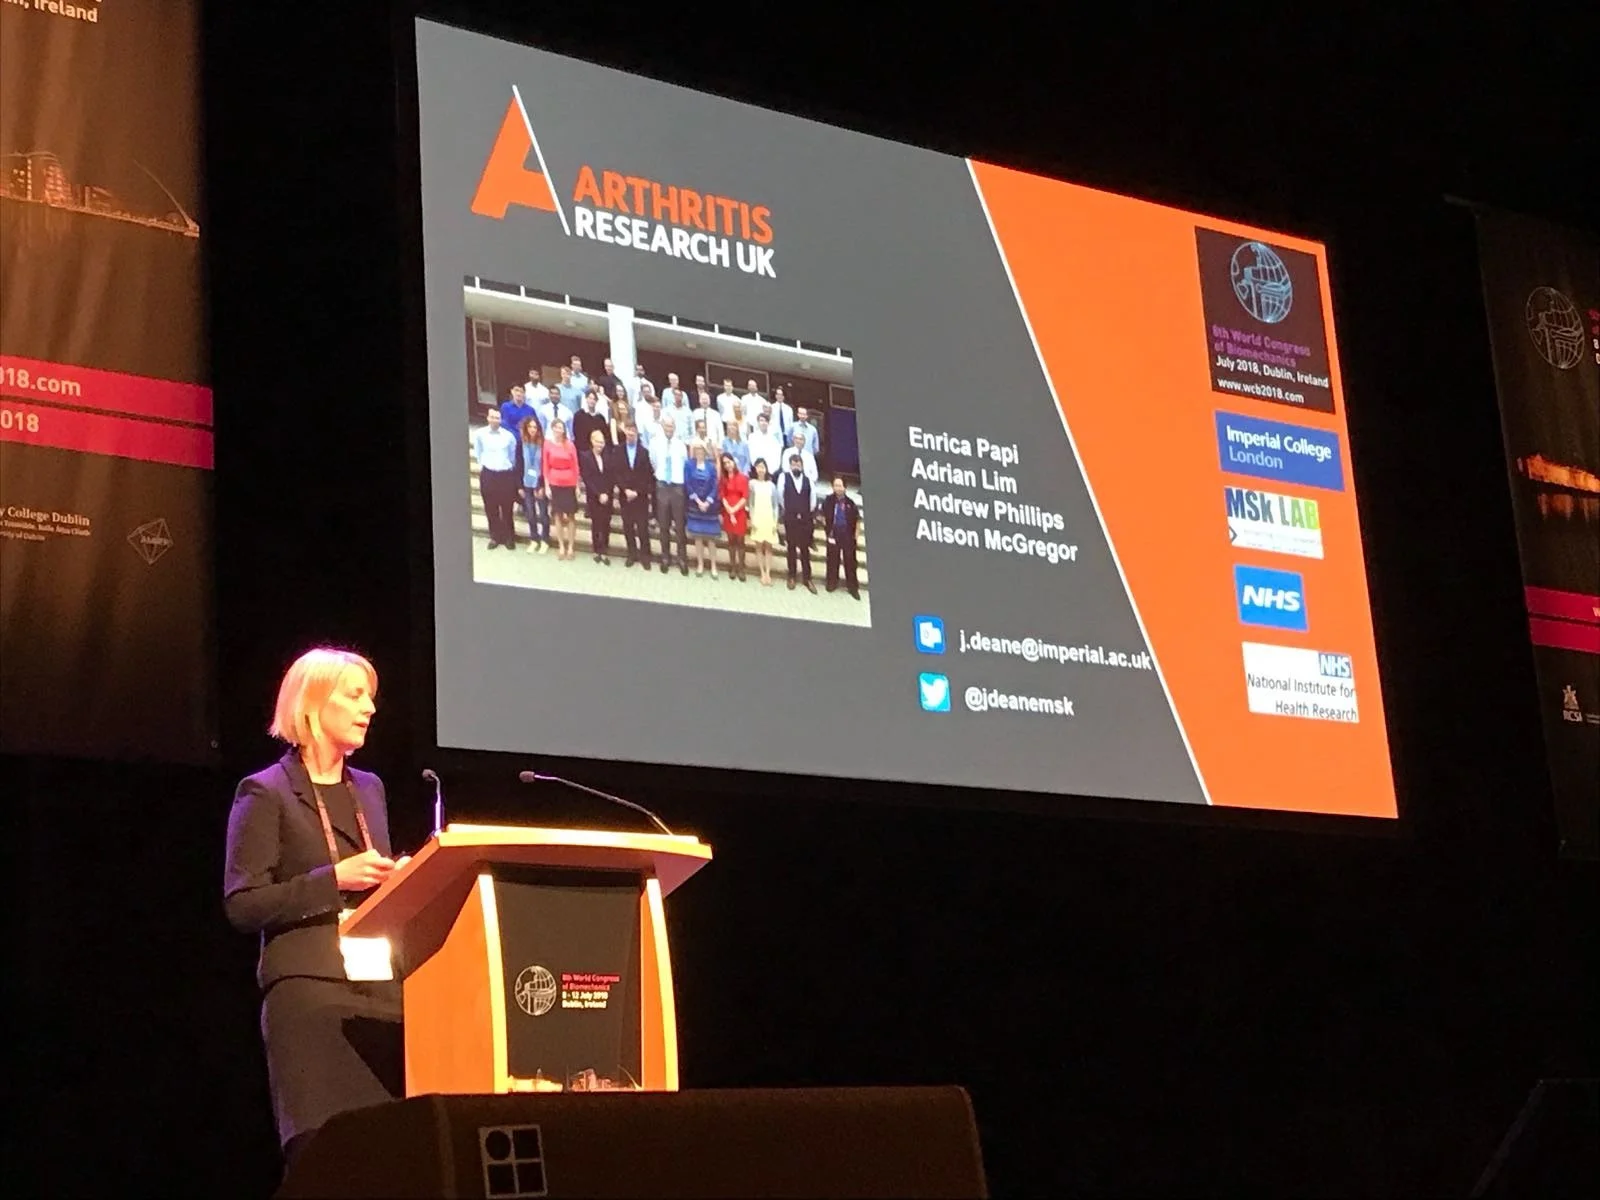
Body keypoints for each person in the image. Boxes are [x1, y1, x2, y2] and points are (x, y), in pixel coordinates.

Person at [224, 648, 408, 1171]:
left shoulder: (369, 789)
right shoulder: (265, 792)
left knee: (391, 1157)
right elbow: (242, 903)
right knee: (324, 1159)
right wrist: (333, 881)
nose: (369, 707)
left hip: (381, 997)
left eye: (370, 697)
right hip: (309, 1000)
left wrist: (402, 877)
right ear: (313, 703)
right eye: (354, 695)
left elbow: (373, 892)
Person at [472, 407, 519, 549]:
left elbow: (512, 455)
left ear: (501, 419)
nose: (495, 420)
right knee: (490, 508)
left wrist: (507, 466)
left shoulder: (508, 436)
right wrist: (485, 465)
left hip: (505, 475)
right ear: (487, 418)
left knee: (507, 508)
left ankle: (509, 537)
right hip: (488, 475)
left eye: (497, 418)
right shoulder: (480, 434)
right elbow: (478, 452)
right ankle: (495, 537)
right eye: (492, 417)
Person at [649, 414, 689, 575]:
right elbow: (654, 462)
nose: (669, 429)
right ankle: (665, 557)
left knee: (679, 526)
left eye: (671, 426)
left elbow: (685, 462)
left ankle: (682, 558)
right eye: (667, 426)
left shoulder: (680, 445)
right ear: (663, 427)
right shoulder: (655, 442)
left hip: (677, 487)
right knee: (663, 524)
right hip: (662, 485)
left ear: (675, 428)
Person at [612, 422, 654, 568]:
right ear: (625, 432)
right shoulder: (618, 451)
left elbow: (647, 475)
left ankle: (645, 556)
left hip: (639, 496)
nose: (631, 433)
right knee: (628, 526)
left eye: (633, 431)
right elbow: (616, 473)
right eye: (628, 431)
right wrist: (625, 490)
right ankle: (632, 554)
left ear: (637, 433)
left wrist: (636, 492)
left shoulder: (644, 452)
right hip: (625, 496)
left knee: (642, 527)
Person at [542, 416, 580, 560]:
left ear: (564, 430)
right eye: (556, 427)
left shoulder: (570, 445)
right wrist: (546, 486)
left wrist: (577, 485)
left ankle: (570, 546)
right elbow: (545, 466)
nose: (559, 430)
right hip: (554, 482)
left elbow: (575, 466)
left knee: (570, 516)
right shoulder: (547, 444)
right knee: (557, 515)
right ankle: (561, 546)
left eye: (561, 427)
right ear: (552, 429)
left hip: (569, 482)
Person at [779, 451, 817, 592]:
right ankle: (792, 576)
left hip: (805, 520)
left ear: (802, 465)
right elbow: (780, 497)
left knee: (805, 549)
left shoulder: (808, 481)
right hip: (791, 518)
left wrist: (805, 512)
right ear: (790, 465)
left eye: (798, 464)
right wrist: (790, 510)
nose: (796, 466)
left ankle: (807, 578)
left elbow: (813, 500)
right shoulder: (784, 478)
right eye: (794, 464)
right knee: (791, 548)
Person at [683, 439, 722, 579]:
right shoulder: (689, 465)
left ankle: (713, 566)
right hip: (695, 504)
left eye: (702, 449)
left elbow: (715, 485)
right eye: (697, 449)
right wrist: (698, 501)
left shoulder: (711, 466)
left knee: (711, 539)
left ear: (705, 451)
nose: (699, 452)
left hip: (709, 507)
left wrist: (707, 502)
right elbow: (687, 483)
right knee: (698, 537)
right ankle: (700, 564)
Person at [819, 476, 862, 599]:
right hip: (833, 534)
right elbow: (821, 514)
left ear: (845, 487)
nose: (838, 488)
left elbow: (857, 520)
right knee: (832, 560)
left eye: (840, 485)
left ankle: (853, 588)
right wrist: (825, 526)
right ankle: (832, 583)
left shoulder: (850, 502)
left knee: (850, 562)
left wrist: (856, 535)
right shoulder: (828, 500)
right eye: (835, 485)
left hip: (847, 535)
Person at [579, 427, 617, 564]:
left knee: (606, 523)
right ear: (592, 441)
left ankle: (605, 550)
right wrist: (599, 493)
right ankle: (596, 550)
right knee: (596, 524)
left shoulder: (609, 455)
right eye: (598, 442)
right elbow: (587, 478)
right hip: (594, 496)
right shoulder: (585, 456)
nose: (600, 445)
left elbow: (612, 476)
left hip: (607, 495)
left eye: (602, 442)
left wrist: (606, 493)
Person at [518, 417, 550, 552]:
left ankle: (545, 539)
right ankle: (534, 538)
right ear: (526, 428)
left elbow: (546, 465)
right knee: (530, 513)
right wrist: (519, 486)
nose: (532, 429)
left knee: (543, 513)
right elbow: (518, 465)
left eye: (535, 427)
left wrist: (542, 485)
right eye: (530, 427)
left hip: (539, 483)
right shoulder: (521, 444)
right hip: (526, 482)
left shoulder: (543, 444)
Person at [746, 458, 779, 586]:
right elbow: (751, 503)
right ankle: (762, 573)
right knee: (759, 546)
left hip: (769, 517)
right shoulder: (752, 484)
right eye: (758, 467)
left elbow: (775, 505)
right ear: (755, 469)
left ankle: (768, 573)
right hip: (757, 517)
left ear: (766, 469)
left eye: (763, 467)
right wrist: (752, 518)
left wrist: (775, 521)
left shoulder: (771, 485)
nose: (761, 469)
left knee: (769, 547)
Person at [719, 452, 750, 582]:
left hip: (739, 512)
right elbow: (722, 495)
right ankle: (732, 566)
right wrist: (729, 510)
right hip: (728, 511)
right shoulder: (724, 479)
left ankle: (741, 567)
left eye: (729, 462)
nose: (727, 465)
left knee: (740, 541)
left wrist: (734, 509)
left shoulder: (742, 477)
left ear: (734, 462)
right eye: (724, 463)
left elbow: (745, 497)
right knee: (731, 541)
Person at [499, 385, 537, 455]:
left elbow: (534, 427)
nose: (519, 393)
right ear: (512, 391)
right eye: (516, 390)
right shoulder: (506, 407)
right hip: (510, 442)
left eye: (521, 391)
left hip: (526, 444)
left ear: (524, 394)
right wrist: (516, 437)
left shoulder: (530, 410)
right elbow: (505, 425)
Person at [747, 410, 784, 481]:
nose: (763, 423)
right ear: (758, 422)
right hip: (756, 471)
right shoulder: (752, 437)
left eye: (765, 421)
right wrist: (759, 468)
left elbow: (776, 456)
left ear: (768, 423)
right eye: (761, 420)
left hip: (771, 473)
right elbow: (752, 455)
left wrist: (770, 471)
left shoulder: (774, 438)